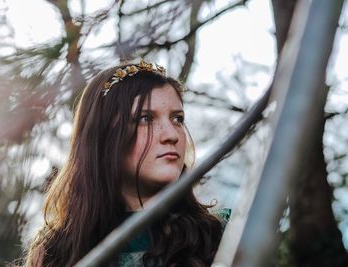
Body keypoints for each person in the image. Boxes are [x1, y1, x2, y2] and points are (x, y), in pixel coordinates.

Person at [24, 59, 230, 267]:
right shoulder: (55, 254)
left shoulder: (223, 237)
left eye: (177, 119)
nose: (171, 135)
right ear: (104, 136)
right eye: (146, 118)